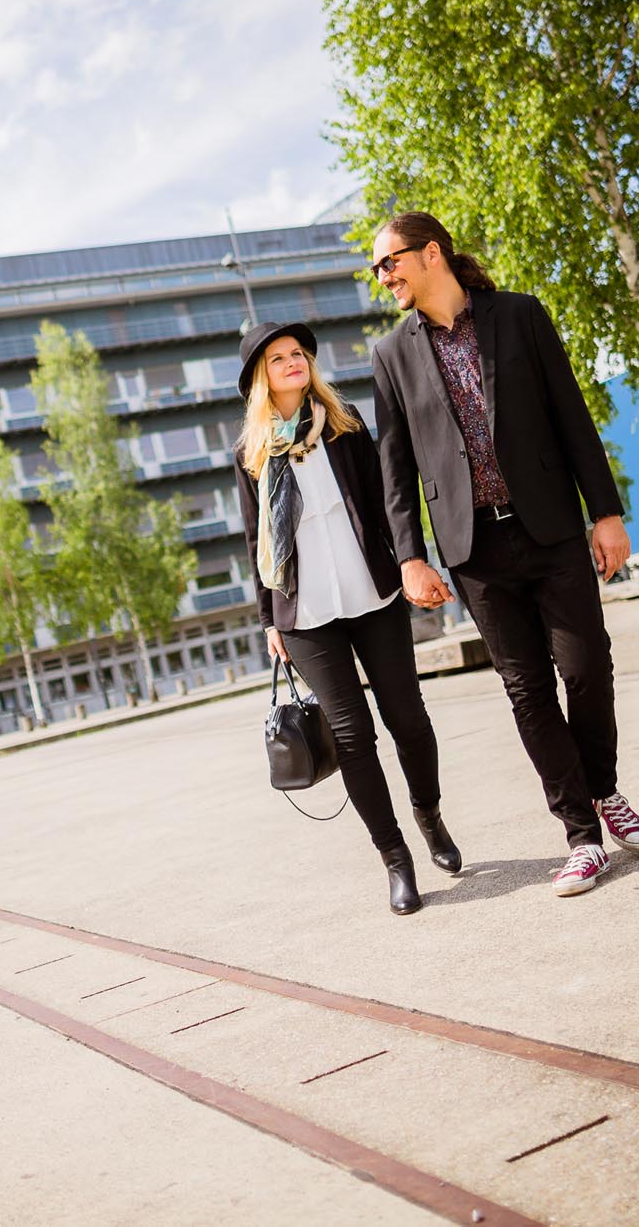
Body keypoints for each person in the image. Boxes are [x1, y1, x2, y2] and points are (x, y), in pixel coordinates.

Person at [367, 211, 639, 897]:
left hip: (551, 526)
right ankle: (582, 834)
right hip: (475, 550)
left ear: (430, 253)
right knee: (526, 690)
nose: (384, 277)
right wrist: (410, 556)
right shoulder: (391, 356)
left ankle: (603, 788)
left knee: (587, 670)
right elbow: (394, 468)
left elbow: (572, 415)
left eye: (391, 262)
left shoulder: (521, 316)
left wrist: (606, 511)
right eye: (378, 268)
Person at [234, 319, 460, 916]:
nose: (293, 362)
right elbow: (254, 541)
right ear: (262, 376)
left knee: (407, 719)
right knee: (354, 738)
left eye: (298, 354)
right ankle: (395, 859)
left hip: (373, 595)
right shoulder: (252, 454)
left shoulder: (346, 424)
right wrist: (269, 622)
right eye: (279, 357)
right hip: (305, 615)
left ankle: (429, 814)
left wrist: (414, 563)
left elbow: (387, 502)